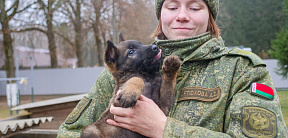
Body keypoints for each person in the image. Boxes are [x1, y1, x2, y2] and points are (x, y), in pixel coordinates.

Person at [57, 0, 288, 137]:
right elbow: (69, 131)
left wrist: (164, 129)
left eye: (195, 7)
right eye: (172, 6)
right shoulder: (123, 71)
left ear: (211, 18)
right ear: (161, 15)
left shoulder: (243, 71)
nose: (182, 16)